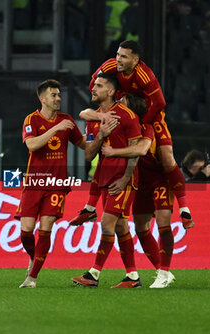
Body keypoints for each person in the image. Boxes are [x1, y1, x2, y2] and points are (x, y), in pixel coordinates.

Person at [69, 39, 194, 229]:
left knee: (167, 158)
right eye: (118, 54)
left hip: (149, 117)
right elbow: (94, 86)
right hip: (124, 114)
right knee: (103, 157)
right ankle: (89, 208)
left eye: (124, 57)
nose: (118, 59)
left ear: (135, 60)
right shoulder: (110, 66)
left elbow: (159, 103)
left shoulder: (144, 75)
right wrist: (99, 114)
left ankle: (184, 210)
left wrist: (141, 123)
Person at [72, 73, 146, 288]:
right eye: (94, 85)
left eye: (99, 85)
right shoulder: (94, 119)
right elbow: (88, 155)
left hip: (123, 180)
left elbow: (135, 150)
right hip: (105, 178)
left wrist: (125, 178)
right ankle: (132, 277)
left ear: (111, 92)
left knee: (107, 223)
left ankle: (93, 274)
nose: (93, 89)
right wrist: (102, 134)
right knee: (121, 226)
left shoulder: (128, 116)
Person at [15, 79, 86, 288]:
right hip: (34, 182)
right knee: (26, 230)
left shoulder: (67, 120)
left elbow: (84, 146)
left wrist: (102, 137)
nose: (58, 99)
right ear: (42, 98)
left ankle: (32, 278)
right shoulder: (31, 120)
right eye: (53, 95)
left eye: (59, 95)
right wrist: (55, 129)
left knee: (46, 228)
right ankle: (33, 256)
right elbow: (32, 144)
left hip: (56, 184)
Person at [102, 93, 176, 288]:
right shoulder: (119, 125)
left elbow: (142, 150)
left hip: (155, 180)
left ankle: (162, 271)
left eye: (123, 101)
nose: (118, 103)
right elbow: (86, 115)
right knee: (137, 227)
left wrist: (115, 154)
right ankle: (144, 274)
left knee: (159, 223)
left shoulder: (147, 127)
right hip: (137, 182)